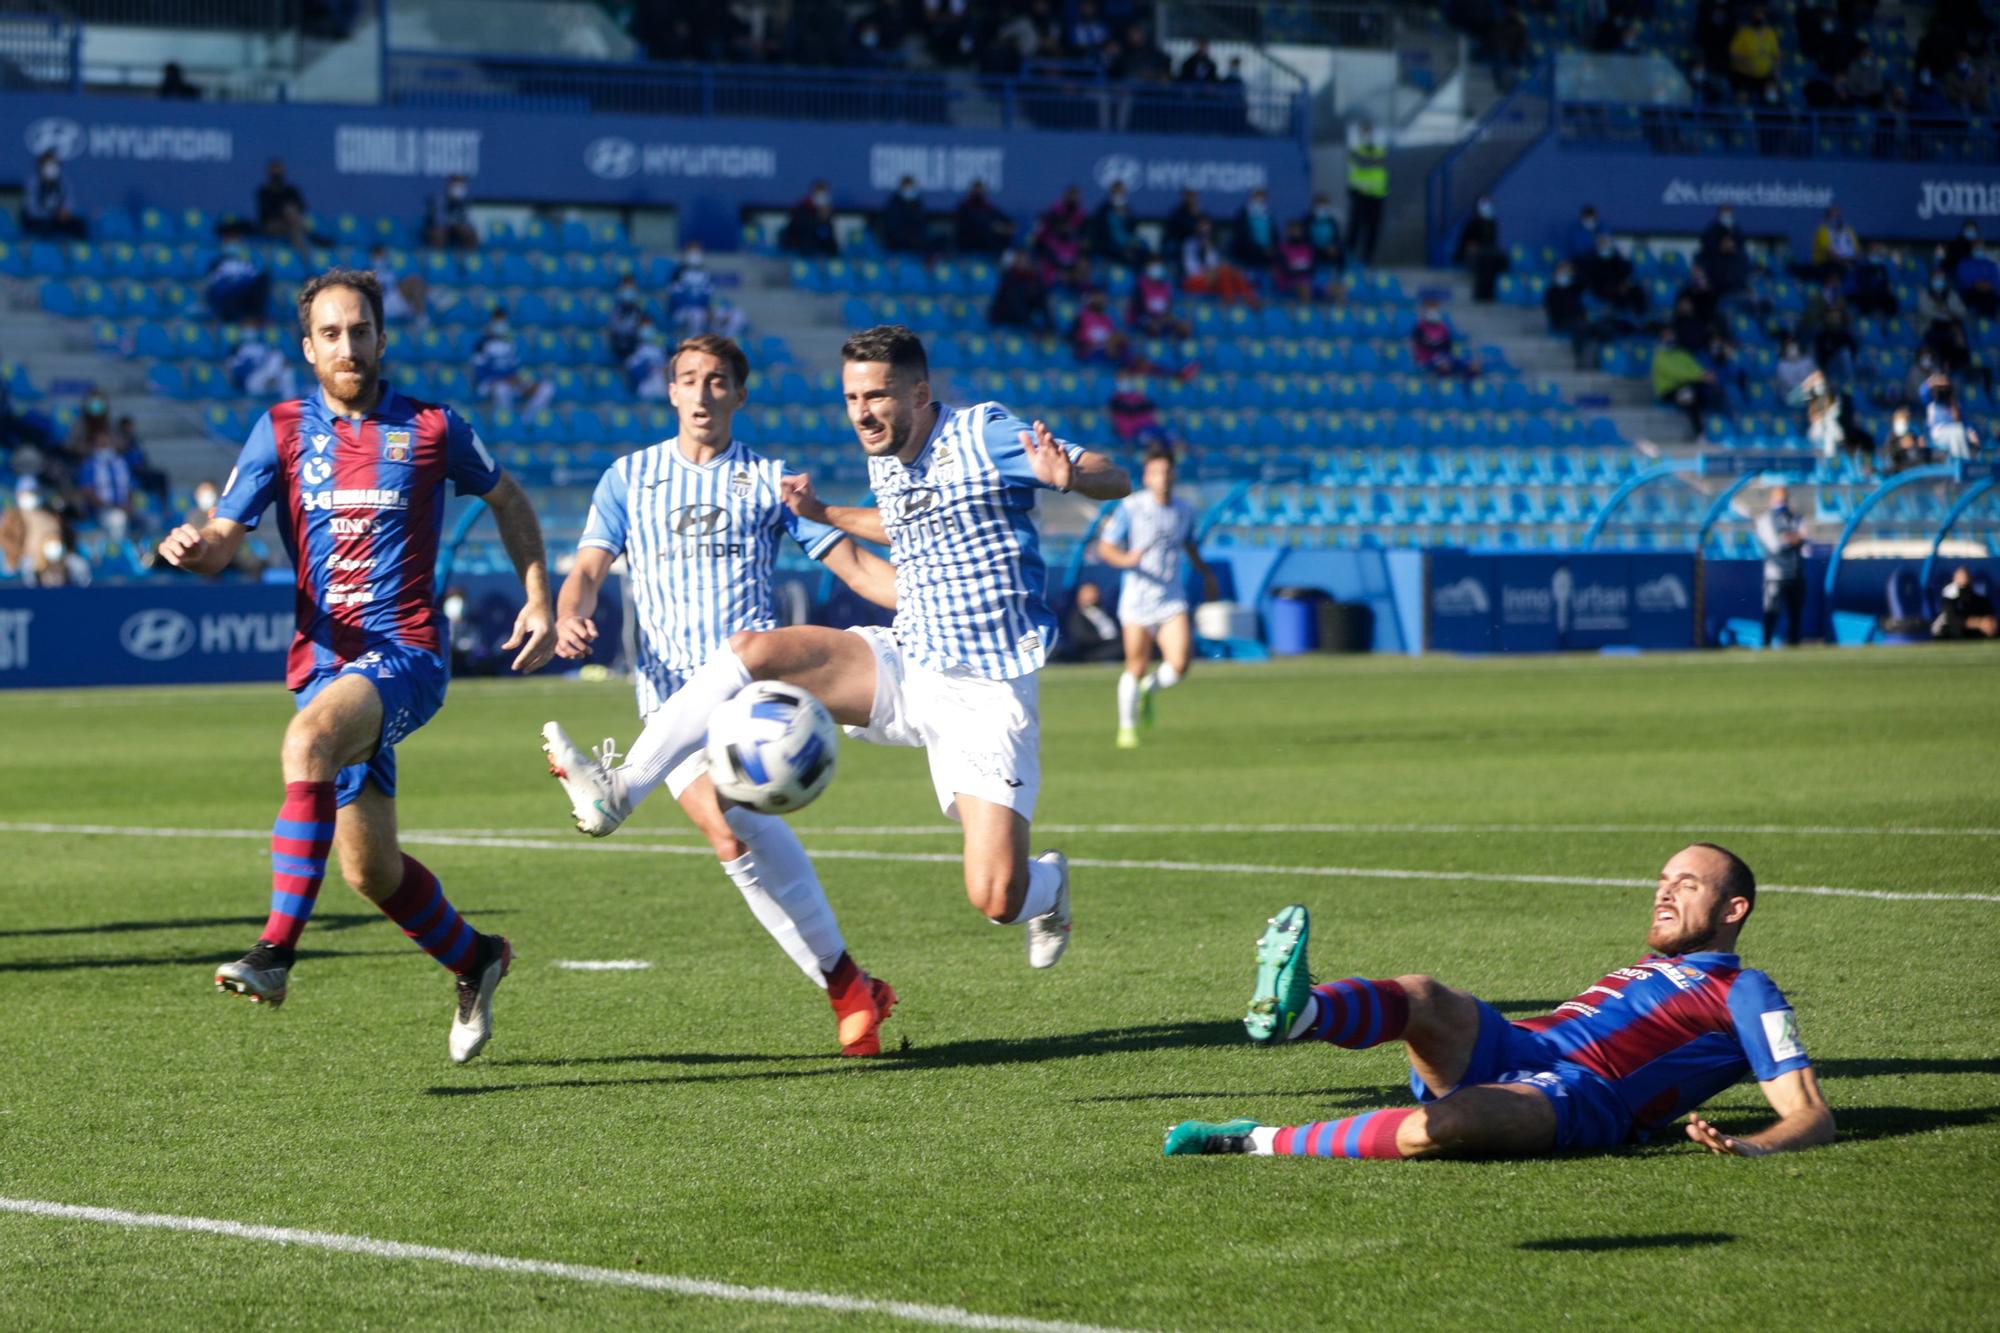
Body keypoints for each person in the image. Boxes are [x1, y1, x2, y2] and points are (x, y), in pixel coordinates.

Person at [539, 324, 1131, 971]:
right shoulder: (885, 454)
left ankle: (1048, 886)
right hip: (907, 659)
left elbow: (1116, 476)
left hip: (985, 689)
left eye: (876, 396)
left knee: (995, 896)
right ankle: (620, 788)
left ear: (919, 393)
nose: (862, 413)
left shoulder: (981, 433)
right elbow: (905, 519)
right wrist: (825, 513)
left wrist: (1071, 476)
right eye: (852, 398)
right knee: (754, 651)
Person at [156, 267, 557, 1061]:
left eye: (361, 331)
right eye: (331, 334)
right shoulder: (279, 430)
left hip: (406, 654)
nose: (349, 346)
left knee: (307, 743)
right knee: (370, 871)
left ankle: (275, 953)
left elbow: (508, 499)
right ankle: (476, 955)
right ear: (308, 348)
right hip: (323, 668)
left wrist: (539, 598)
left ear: (382, 338)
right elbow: (222, 543)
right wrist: (192, 547)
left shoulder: (434, 426)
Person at [542, 334, 906, 1056]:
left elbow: (854, 565)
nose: (702, 393)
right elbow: (587, 568)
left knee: (735, 830)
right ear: (671, 392)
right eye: (689, 379)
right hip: (669, 702)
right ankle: (851, 987)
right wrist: (569, 612)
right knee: (729, 835)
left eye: (716, 381)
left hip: (752, 703)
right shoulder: (628, 477)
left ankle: (848, 989)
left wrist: (928, 601)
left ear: (739, 394)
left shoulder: (769, 481)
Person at [1164, 843, 1835, 1162]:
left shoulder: (1745, 989)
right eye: (1662, 880)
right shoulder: (1650, 967)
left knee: (1443, 1125)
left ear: (1733, 909)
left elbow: (1810, 1113)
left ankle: (1253, 1139)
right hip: (1519, 1042)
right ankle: (1299, 1014)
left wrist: (1753, 1146)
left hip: (1584, 1095)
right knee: (1423, 994)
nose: (1663, 892)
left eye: (1686, 885)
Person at [1095, 446, 1214, 750]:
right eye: (1155, 472)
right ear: (1147, 477)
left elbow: (1189, 545)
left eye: (1166, 471)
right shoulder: (1132, 507)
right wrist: (1126, 560)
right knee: (1136, 665)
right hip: (1137, 600)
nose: (1162, 478)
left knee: (1180, 664)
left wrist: (1207, 574)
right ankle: (1127, 728)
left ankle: (1150, 688)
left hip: (1171, 598)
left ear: (1174, 475)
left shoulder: (1184, 511)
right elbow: (1105, 547)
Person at [1754, 485, 1808, 647]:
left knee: (1795, 614)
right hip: (1775, 574)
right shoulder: (1766, 519)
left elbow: (1804, 537)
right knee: (1771, 612)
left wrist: (1790, 538)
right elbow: (1777, 545)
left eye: (1784, 499)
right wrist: (1793, 539)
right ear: (1772, 500)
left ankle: (1793, 644)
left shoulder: (1795, 518)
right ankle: (1766, 644)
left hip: (1796, 573)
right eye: (1779, 499)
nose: (1782, 503)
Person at [472, 308, 554, 413]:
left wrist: (522, 380)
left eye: (503, 322)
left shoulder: (511, 342)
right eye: (498, 322)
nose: (501, 325)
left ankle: (528, 418)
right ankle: (508, 418)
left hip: (511, 382)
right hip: (490, 383)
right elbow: (479, 372)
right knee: (502, 389)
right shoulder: (482, 344)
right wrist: (502, 379)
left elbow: (515, 368)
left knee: (547, 388)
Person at [1652, 329, 1720, 440]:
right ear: (1661, 339)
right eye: (1667, 337)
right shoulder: (1660, 356)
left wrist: (1704, 374)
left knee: (1703, 392)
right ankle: (1700, 434)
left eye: (1672, 336)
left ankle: (1718, 427)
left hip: (1687, 387)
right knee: (1691, 398)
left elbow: (1695, 367)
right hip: (1669, 391)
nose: (1670, 339)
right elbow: (1675, 373)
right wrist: (1699, 377)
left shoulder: (1682, 354)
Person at [1181, 217, 1258, 306]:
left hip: (1211, 279)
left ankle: (1250, 299)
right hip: (1193, 280)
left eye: (1207, 229)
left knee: (1233, 273)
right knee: (1225, 270)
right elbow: (1190, 269)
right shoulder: (1189, 244)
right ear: (1197, 229)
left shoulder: (1210, 245)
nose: (1205, 232)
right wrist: (1208, 273)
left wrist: (1207, 248)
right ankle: (1231, 302)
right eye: (1202, 228)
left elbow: (1214, 265)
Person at [1542, 261, 1604, 369]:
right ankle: (1579, 360)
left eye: (1567, 272)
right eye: (1562, 271)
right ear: (1556, 273)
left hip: (1579, 321)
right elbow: (1553, 312)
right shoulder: (1551, 291)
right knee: (1578, 329)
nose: (1565, 274)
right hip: (1562, 322)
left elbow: (1586, 282)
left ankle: (1599, 361)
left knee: (1601, 329)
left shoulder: (1573, 288)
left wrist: (1575, 273)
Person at [1344, 119, 1388, 266]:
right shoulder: (1355, 146)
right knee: (1355, 226)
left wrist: (1373, 160)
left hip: (1377, 193)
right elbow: (1362, 162)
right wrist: (1374, 160)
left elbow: (1379, 161)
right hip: (1359, 191)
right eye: (1365, 129)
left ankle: (1367, 259)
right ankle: (1348, 257)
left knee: (1373, 227)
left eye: (1369, 129)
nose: (1368, 132)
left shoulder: (1379, 146)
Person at [203, 236, 272, 325]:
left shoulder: (247, 261)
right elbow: (213, 282)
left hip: (244, 291)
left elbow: (255, 276)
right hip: (226, 293)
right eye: (230, 240)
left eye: (235, 240)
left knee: (263, 280)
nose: (233, 243)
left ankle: (253, 319)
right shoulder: (218, 262)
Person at [1453, 196, 1509, 302]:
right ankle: (1481, 294)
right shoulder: (1472, 222)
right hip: (1474, 254)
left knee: (1499, 258)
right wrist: (1473, 248)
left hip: (1488, 252)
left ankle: (1493, 294)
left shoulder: (1492, 223)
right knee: (1484, 261)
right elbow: (1467, 243)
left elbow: (1493, 242)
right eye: (1485, 204)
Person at [21, 150, 86, 240]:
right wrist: (53, 215)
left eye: (55, 165)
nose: (52, 168)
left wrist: (65, 213)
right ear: (41, 167)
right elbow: (32, 210)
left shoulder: (63, 183)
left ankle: (78, 248)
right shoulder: (33, 183)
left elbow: (69, 204)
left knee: (79, 225)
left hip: (58, 220)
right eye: (49, 165)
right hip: (38, 220)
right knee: (44, 227)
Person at [988, 248, 1052, 331]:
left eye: (1024, 260)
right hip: (1003, 322)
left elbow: (1043, 306)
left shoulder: (1036, 282)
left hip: (1023, 325)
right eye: (1019, 260)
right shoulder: (1008, 277)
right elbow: (1004, 302)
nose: (1021, 263)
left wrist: (1049, 328)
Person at [255, 158, 312, 252]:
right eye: (274, 171)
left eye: (279, 170)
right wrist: (284, 212)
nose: (277, 173)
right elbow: (266, 213)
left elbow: (302, 208)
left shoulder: (291, 190)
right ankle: (302, 252)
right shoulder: (263, 192)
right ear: (269, 172)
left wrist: (289, 213)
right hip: (271, 225)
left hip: (293, 223)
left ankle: (301, 251)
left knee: (293, 216)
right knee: (292, 218)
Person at [1062, 580, 1124, 663]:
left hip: (1115, 643)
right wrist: (1107, 640)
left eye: (1095, 592)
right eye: (1089, 593)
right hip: (1094, 651)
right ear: (1080, 596)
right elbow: (1082, 638)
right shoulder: (1077, 615)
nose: (1094, 595)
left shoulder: (1106, 612)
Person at [1411, 301, 1478, 378]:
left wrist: (1437, 344)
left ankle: (1470, 382)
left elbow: (1447, 343)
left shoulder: (1443, 327)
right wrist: (1437, 344)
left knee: (1472, 364)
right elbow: (1425, 345)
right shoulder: (1420, 328)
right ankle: (1445, 382)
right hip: (1428, 357)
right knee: (1444, 364)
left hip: (1444, 355)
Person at [1086, 183, 1144, 267]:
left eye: (1122, 193)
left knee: (1142, 247)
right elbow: (1099, 232)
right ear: (1111, 193)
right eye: (1117, 192)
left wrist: (1126, 216)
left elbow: (1133, 230)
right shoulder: (1103, 210)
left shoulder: (1128, 211)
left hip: (1127, 246)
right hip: (1109, 247)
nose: (1119, 195)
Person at [1729, 7, 1782, 98]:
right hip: (1745, 74)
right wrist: (1745, 61)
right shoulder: (1743, 33)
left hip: (1765, 74)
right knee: (1742, 95)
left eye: (1761, 15)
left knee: (1772, 95)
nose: (1759, 18)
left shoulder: (1770, 33)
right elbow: (1733, 54)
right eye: (1757, 15)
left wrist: (1777, 70)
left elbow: (1776, 54)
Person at [370, 244, 428, 328]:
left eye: (382, 256)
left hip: (392, 298)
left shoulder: (390, 270)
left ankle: (420, 318)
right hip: (378, 302)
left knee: (415, 281)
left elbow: (396, 284)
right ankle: (420, 318)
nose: (380, 259)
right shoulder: (367, 270)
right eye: (378, 256)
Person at [666, 242, 715, 339]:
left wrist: (708, 309)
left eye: (697, 251)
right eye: (692, 251)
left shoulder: (705, 272)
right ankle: (694, 341)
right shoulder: (678, 271)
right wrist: (692, 307)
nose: (695, 253)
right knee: (696, 316)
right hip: (681, 309)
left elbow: (707, 295)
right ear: (686, 252)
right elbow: (675, 297)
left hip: (700, 309)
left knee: (734, 315)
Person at [1933, 566, 1997, 640]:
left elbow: (1989, 613)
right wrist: (1979, 623)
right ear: (1954, 578)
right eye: (1960, 577)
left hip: (1974, 631)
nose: (1963, 579)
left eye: (1966, 576)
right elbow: (1953, 619)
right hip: (1950, 630)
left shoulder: (1978, 594)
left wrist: (1990, 623)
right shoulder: (1949, 594)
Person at [227, 333, 298, 399]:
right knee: (277, 362)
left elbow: (276, 360)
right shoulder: (236, 356)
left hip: (265, 375)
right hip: (250, 382)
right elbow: (232, 376)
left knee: (286, 371)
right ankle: (271, 380)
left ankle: (289, 401)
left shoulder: (261, 347)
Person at [953, 179, 1013, 255]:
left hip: (989, 249)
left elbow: (1007, 222)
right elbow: (974, 224)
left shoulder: (989, 208)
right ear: (971, 191)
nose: (979, 192)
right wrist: (993, 226)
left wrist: (1005, 228)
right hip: (968, 247)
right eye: (976, 190)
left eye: (981, 190)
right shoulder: (964, 208)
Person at [781, 180, 839, 258]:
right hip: (799, 251)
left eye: (824, 195)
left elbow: (830, 242)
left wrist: (825, 220)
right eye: (819, 194)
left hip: (818, 255)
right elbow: (802, 235)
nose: (822, 198)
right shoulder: (801, 209)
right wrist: (819, 219)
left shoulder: (826, 214)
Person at [424, 175, 478, 249]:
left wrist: (461, 226)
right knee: (439, 234)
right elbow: (438, 220)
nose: (458, 189)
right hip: (439, 228)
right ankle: (438, 255)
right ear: (449, 186)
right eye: (456, 186)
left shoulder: (465, 201)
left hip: (456, 229)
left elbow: (467, 220)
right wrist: (453, 223)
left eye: (461, 186)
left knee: (469, 233)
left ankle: (469, 255)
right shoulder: (440, 199)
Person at [1229, 189, 1278, 271]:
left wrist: (1272, 249)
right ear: (1251, 197)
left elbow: (1274, 234)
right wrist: (1261, 251)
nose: (1260, 198)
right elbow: (1242, 237)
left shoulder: (1268, 214)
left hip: (1266, 260)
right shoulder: (1243, 214)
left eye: (1262, 196)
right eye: (1257, 195)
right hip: (1249, 260)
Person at [880, 174, 929, 255]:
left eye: (912, 188)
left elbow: (922, 224)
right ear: (901, 188)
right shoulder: (894, 204)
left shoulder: (917, 203)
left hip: (916, 246)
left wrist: (918, 240)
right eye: (907, 188)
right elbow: (892, 228)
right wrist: (907, 240)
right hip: (896, 246)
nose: (909, 190)